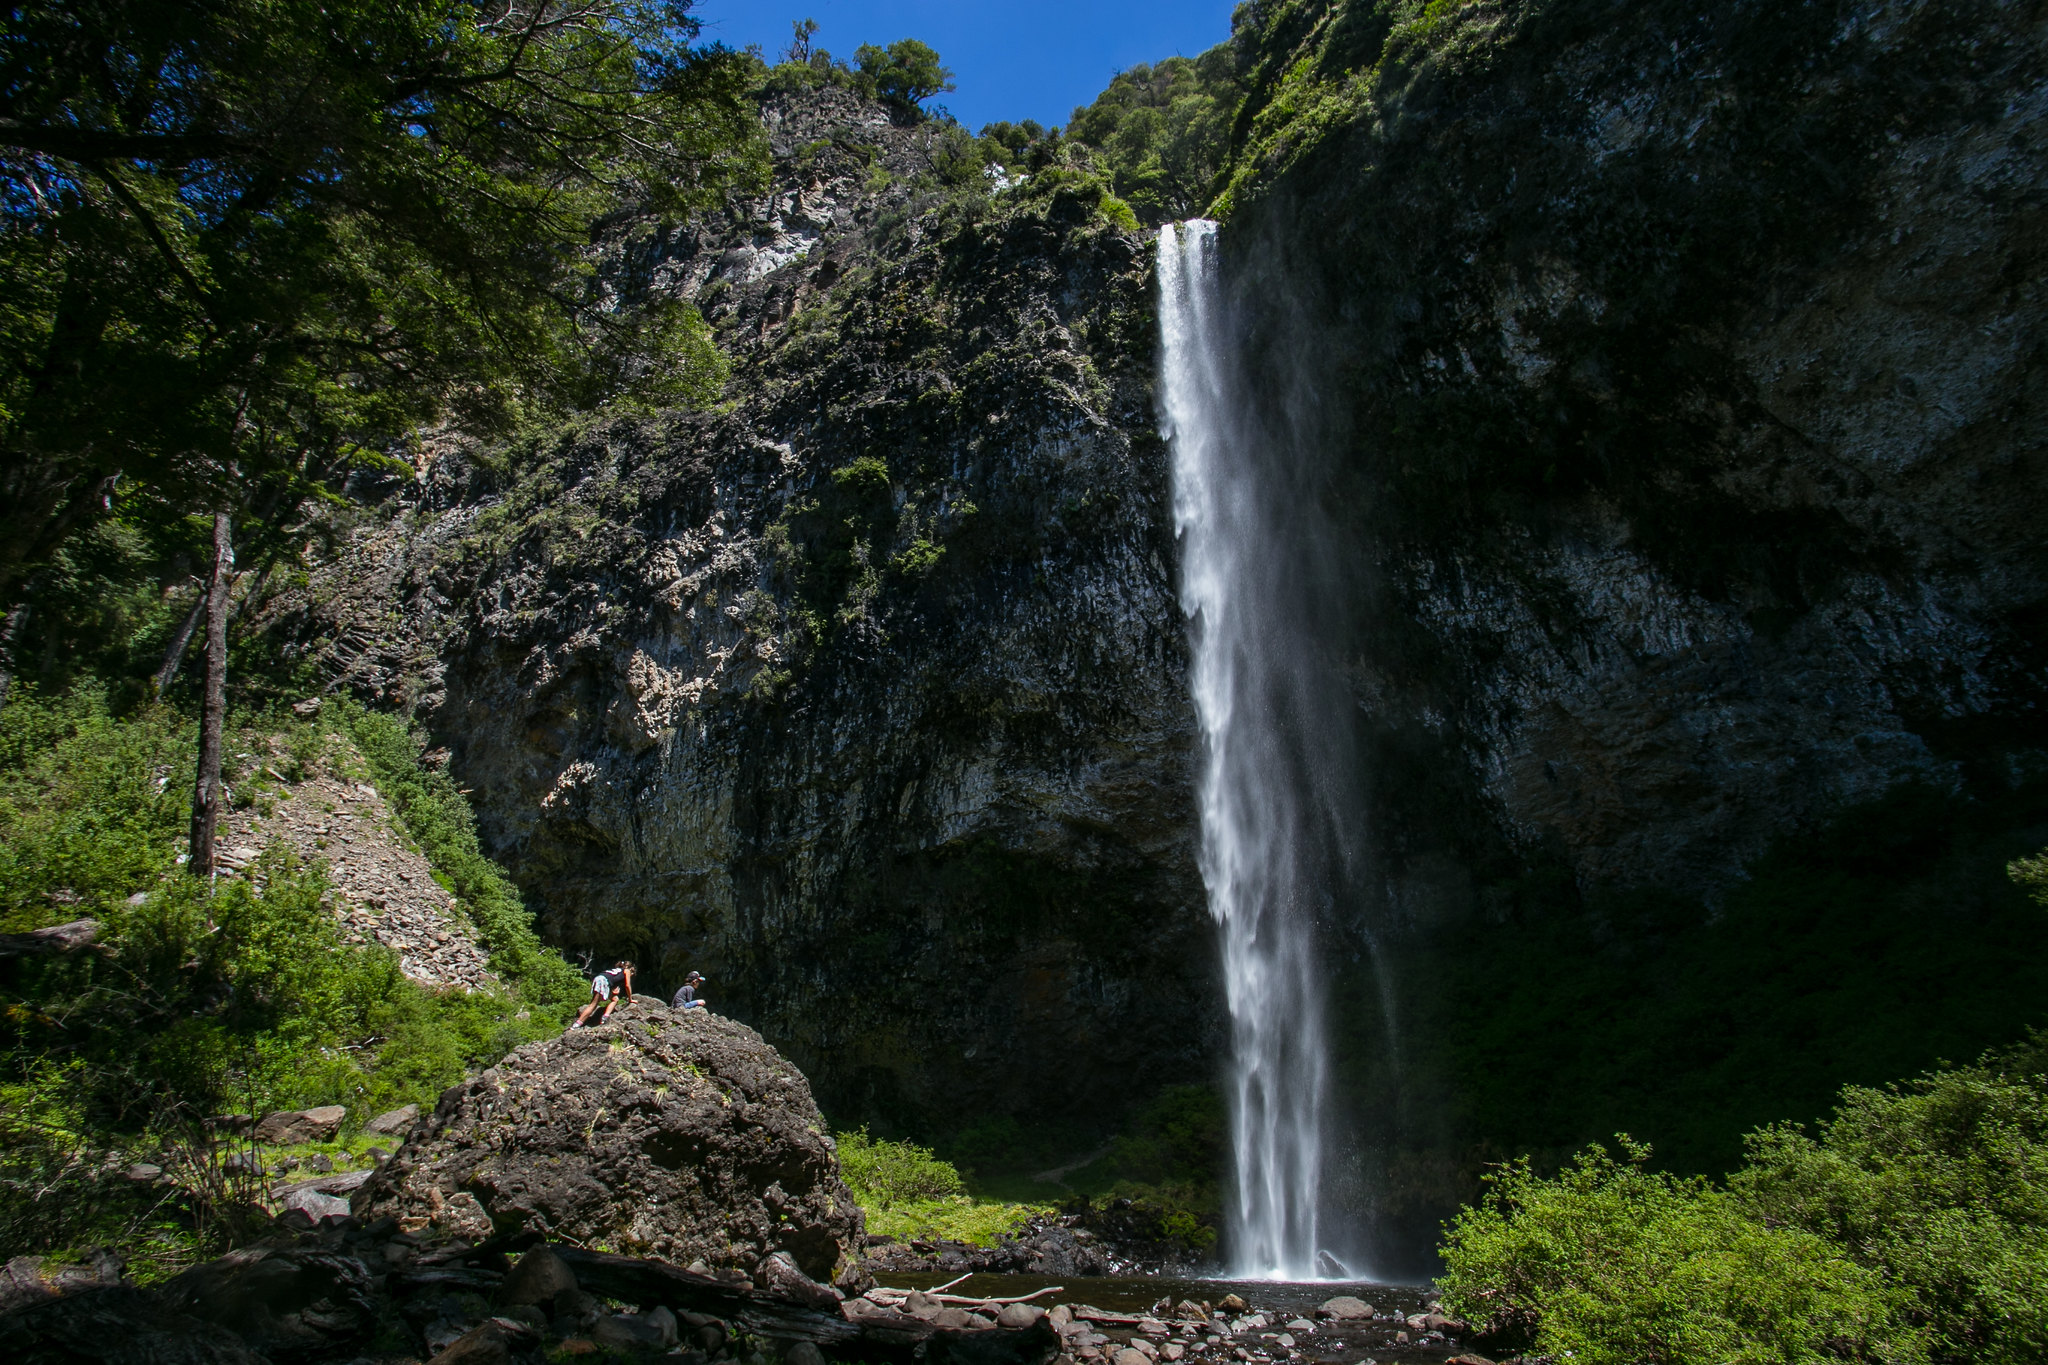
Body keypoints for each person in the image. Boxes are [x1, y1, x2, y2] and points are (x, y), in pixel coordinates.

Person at [571, 960, 633, 1029]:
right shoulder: (627, 970)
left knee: (615, 999)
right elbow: (627, 985)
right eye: (632, 972)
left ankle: (604, 1016)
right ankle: (577, 1024)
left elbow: (611, 983)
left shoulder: (616, 971)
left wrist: (613, 992)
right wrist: (630, 999)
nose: (632, 974)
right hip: (603, 981)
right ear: (629, 968)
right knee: (593, 1004)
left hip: (599, 979)